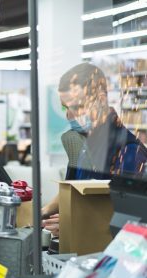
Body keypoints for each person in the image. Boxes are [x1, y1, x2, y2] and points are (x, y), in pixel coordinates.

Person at [42, 63, 147, 236]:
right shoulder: (84, 146)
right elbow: (71, 190)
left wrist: (75, 224)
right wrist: (43, 213)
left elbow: (131, 221)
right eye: (65, 108)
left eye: (76, 107)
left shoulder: (129, 153)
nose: (69, 115)